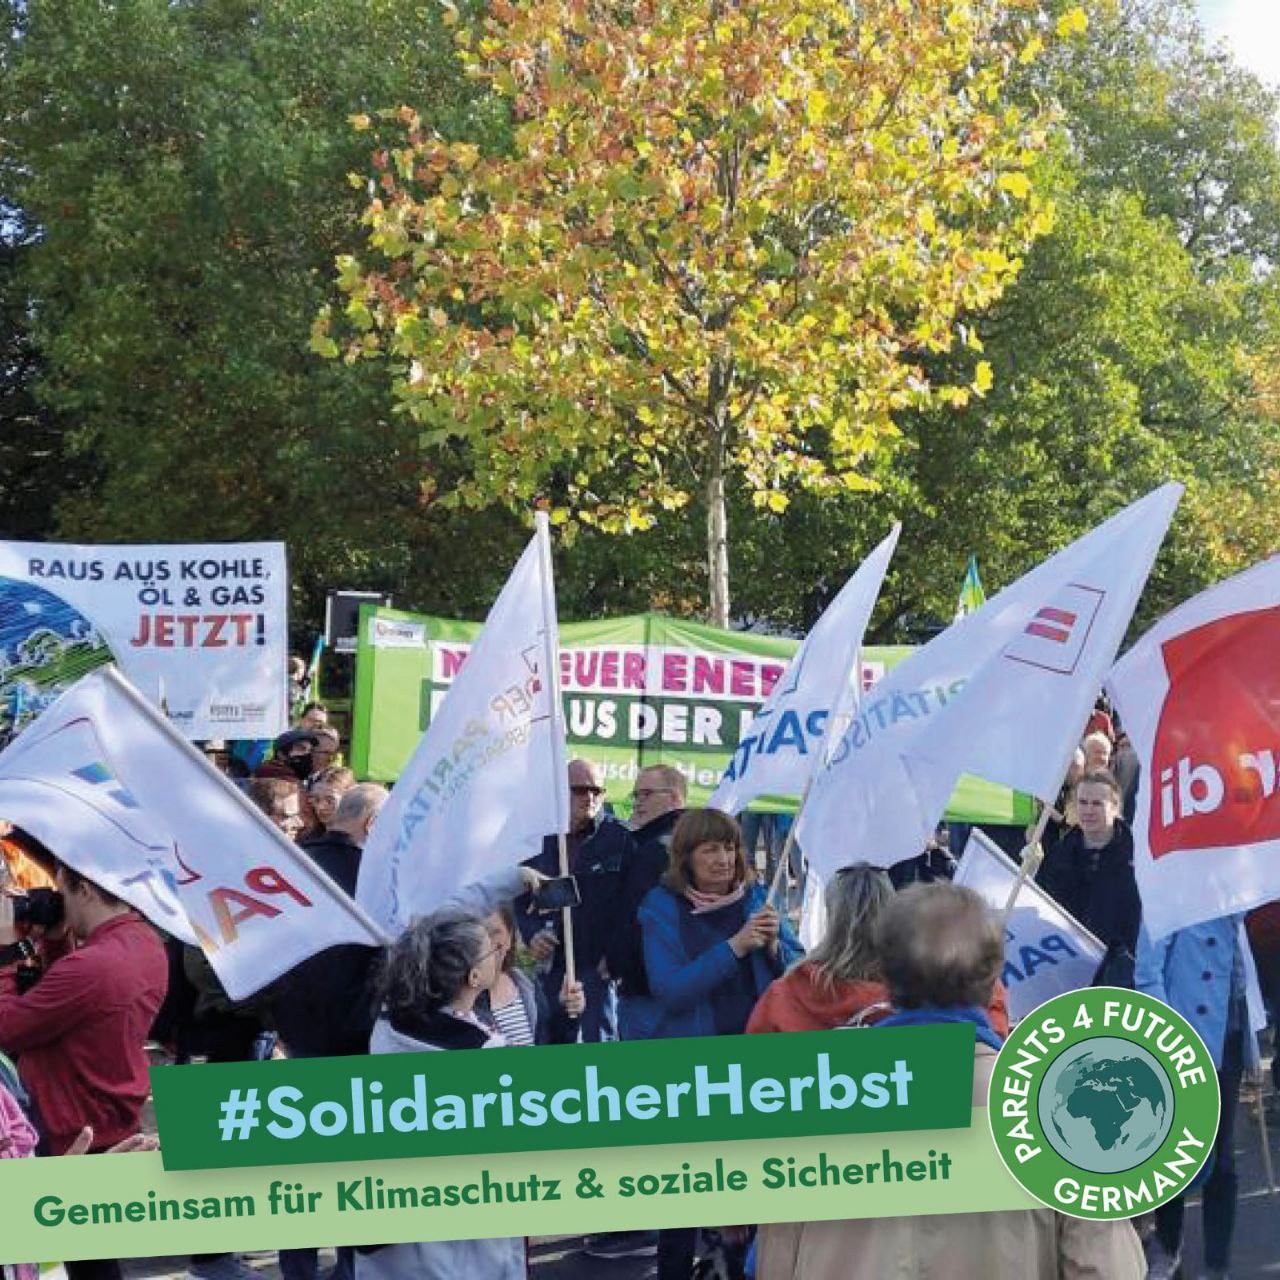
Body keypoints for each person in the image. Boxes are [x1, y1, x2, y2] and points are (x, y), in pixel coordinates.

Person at [755, 882, 1145, 1279]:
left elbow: (775, 1262)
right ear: (994, 976)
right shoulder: (1061, 1112)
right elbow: (1107, 1269)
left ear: (884, 972)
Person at [356, 906, 580, 1280]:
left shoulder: (387, 1029)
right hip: (466, 1251)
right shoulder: (487, 1060)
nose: (499, 952)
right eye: (490, 949)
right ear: (474, 976)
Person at [638, 808, 802, 1280]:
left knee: (750, 1186)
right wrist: (734, 948)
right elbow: (670, 988)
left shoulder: (756, 898)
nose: (723, 858)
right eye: (710, 848)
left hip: (755, 1065)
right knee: (686, 1193)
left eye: (729, 847)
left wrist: (773, 948)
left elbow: (795, 968)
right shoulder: (660, 907)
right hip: (692, 1069)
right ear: (685, 858)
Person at [0, 860, 168, 1280]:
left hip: (71, 1132)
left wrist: (5, 948)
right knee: (93, 1260)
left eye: (63, 891)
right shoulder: (145, 942)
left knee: (71, 1262)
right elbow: (67, 1003)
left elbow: (8, 1027)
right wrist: (56, 942)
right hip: (108, 1117)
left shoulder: (94, 965)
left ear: (87, 889)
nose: (59, 901)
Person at [1136, 915, 1264, 1280]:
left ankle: (1217, 1263)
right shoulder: (1170, 891)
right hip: (1184, 1040)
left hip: (1230, 1036)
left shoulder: (1236, 892)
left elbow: (1245, 974)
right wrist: (1166, 1036)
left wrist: (1254, 1039)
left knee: (1222, 1157)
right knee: (1174, 1148)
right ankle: (1168, 1245)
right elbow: (1149, 973)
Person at [746, 864, 1009, 1037]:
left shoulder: (786, 995)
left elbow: (753, 1082)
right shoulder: (942, 989)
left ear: (831, 915)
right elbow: (992, 1039)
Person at [518, 758, 631, 1042]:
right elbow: (522, 896)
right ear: (559, 792)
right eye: (580, 790)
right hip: (551, 966)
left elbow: (632, 904)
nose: (590, 797)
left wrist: (617, 955)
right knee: (547, 1041)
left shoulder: (620, 838)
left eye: (597, 791)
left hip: (597, 969)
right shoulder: (538, 838)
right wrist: (532, 935)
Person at [607, 765, 688, 1041]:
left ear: (675, 798)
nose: (638, 802)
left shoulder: (657, 849)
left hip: (647, 989)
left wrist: (616, 961)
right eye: (636, 795)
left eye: (647, 794)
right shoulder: (652, 843)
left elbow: (635, 915)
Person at [1037, 771, 1139, 985]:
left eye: (1097, 804)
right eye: (1083, 803)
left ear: (1114, 806)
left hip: (1122, 971)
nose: (1088, 811)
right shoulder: (1059, 854)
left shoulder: (1137, 855)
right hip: (1068, 969)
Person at [477, 905, 584, 1046]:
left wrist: (567, 1012)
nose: (487, 943)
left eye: (494, 933)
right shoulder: (464, 999)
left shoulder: (527, 984)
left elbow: (556, 1045)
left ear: (510, 937)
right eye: (479, 935)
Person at [302, 766, 356, 839]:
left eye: (330, 801)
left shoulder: (360, 841)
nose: (320, 807)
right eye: (316, 800)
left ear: (350, 798)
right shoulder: (305, 837)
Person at [253, 729, 319, 783]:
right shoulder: (278, 777)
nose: (307, 754)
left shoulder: (298, 778)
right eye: (300, 748)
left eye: (310, 751)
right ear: (281, 754)